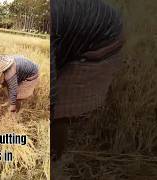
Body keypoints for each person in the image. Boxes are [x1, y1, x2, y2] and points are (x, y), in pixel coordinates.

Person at [51, 0, 125, 160]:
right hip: (87, 26)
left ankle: (53, 158)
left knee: (58, 110)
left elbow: (51, 87)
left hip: (103, 38)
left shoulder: (50, 22)